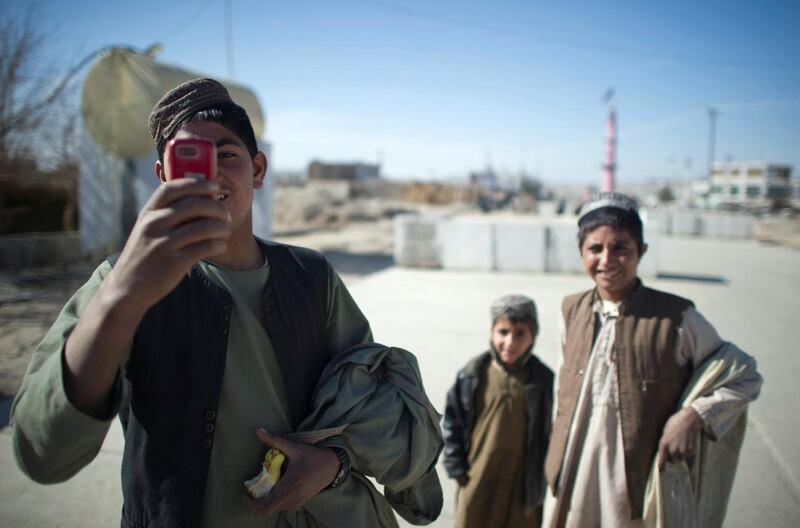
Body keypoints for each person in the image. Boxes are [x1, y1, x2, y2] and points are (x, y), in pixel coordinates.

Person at [10, 78, 429, 527]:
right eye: (190, 159)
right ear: (163, 177)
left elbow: (370, 399)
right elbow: (42, 454)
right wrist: (122, 298)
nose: (211, 175)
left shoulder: (313, 277)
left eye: (227, 155)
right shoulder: (118, 282)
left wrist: (332, 463)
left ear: (259, 170)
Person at [542, 192, 763, 527]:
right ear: (581, 252)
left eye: (621, 248)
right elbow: (565, 386)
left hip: (634, 480)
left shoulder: (676, 318)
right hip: (573, 468)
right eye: (595, 249)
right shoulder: (571, 309)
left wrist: (694, 415)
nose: (607, 259)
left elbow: (744, 374)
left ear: (641, 251)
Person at [443, 294, 554, 528]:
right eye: (503, 332)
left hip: (522, 482)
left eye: (520, 333)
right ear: (492, 332)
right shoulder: (472, 374)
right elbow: (452, 422)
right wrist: (456, 467)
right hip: (478, 476)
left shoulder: (543, 379)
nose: (510, 342)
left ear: (533, 335)